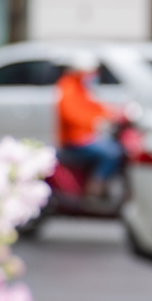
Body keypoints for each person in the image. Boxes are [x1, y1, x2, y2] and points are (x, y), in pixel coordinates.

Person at [54, 50, 123, 197]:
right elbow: (70, 113)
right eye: (91, 72)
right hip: (75, 140)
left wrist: (113, 112)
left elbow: (94, 106)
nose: (93, 76)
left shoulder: (81, 87)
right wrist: (96, 121)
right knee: (112, 152)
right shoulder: (67, 87)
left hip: (86, 136)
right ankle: (95, 187)